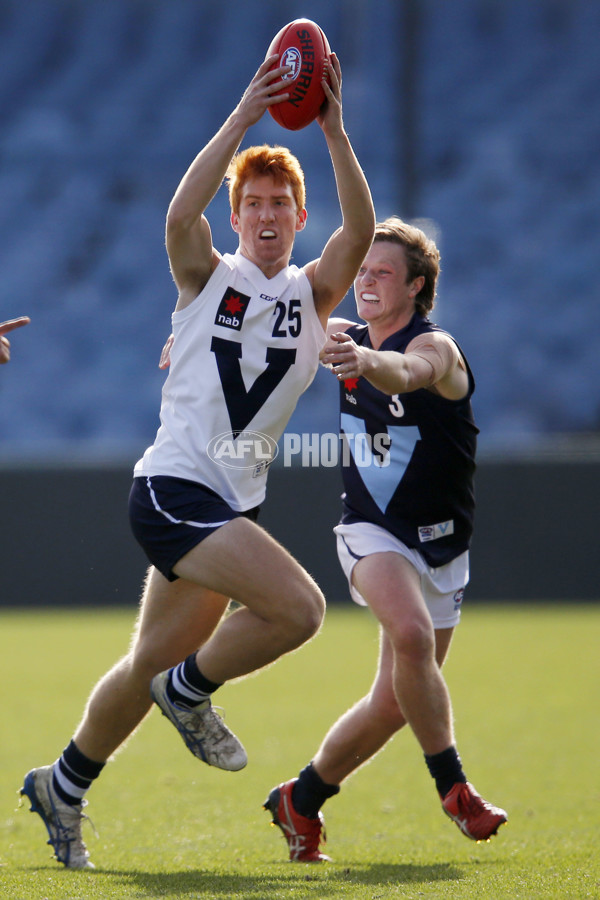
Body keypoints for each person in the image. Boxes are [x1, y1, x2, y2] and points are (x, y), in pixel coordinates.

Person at [19, 52, 375, 869]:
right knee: (301, 610)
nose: (266, 213)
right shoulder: (205, 276)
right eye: (251, 202)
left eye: (280, 202)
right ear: (238, 213)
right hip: (177, 490)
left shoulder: (312, 296)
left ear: (297, 213)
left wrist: (333, 128)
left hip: (229, 506)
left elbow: (358, 232)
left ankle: (62, 785)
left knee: (148, 660)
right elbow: (180, 217)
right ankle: (190, 696)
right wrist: (243, 119)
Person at [263, 217, 507, 861]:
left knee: (394, 703)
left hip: (443, 543)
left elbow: (405, 373)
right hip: (373, 531)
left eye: (382, 273)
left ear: (416, 286)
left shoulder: (439, 349)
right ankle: (455, 788)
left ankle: (302, 798)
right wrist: (187, 344)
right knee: (411, 636)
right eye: (362, 271)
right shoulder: (339, 335)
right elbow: (248, 334)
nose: (365, 282)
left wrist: (365, 359)